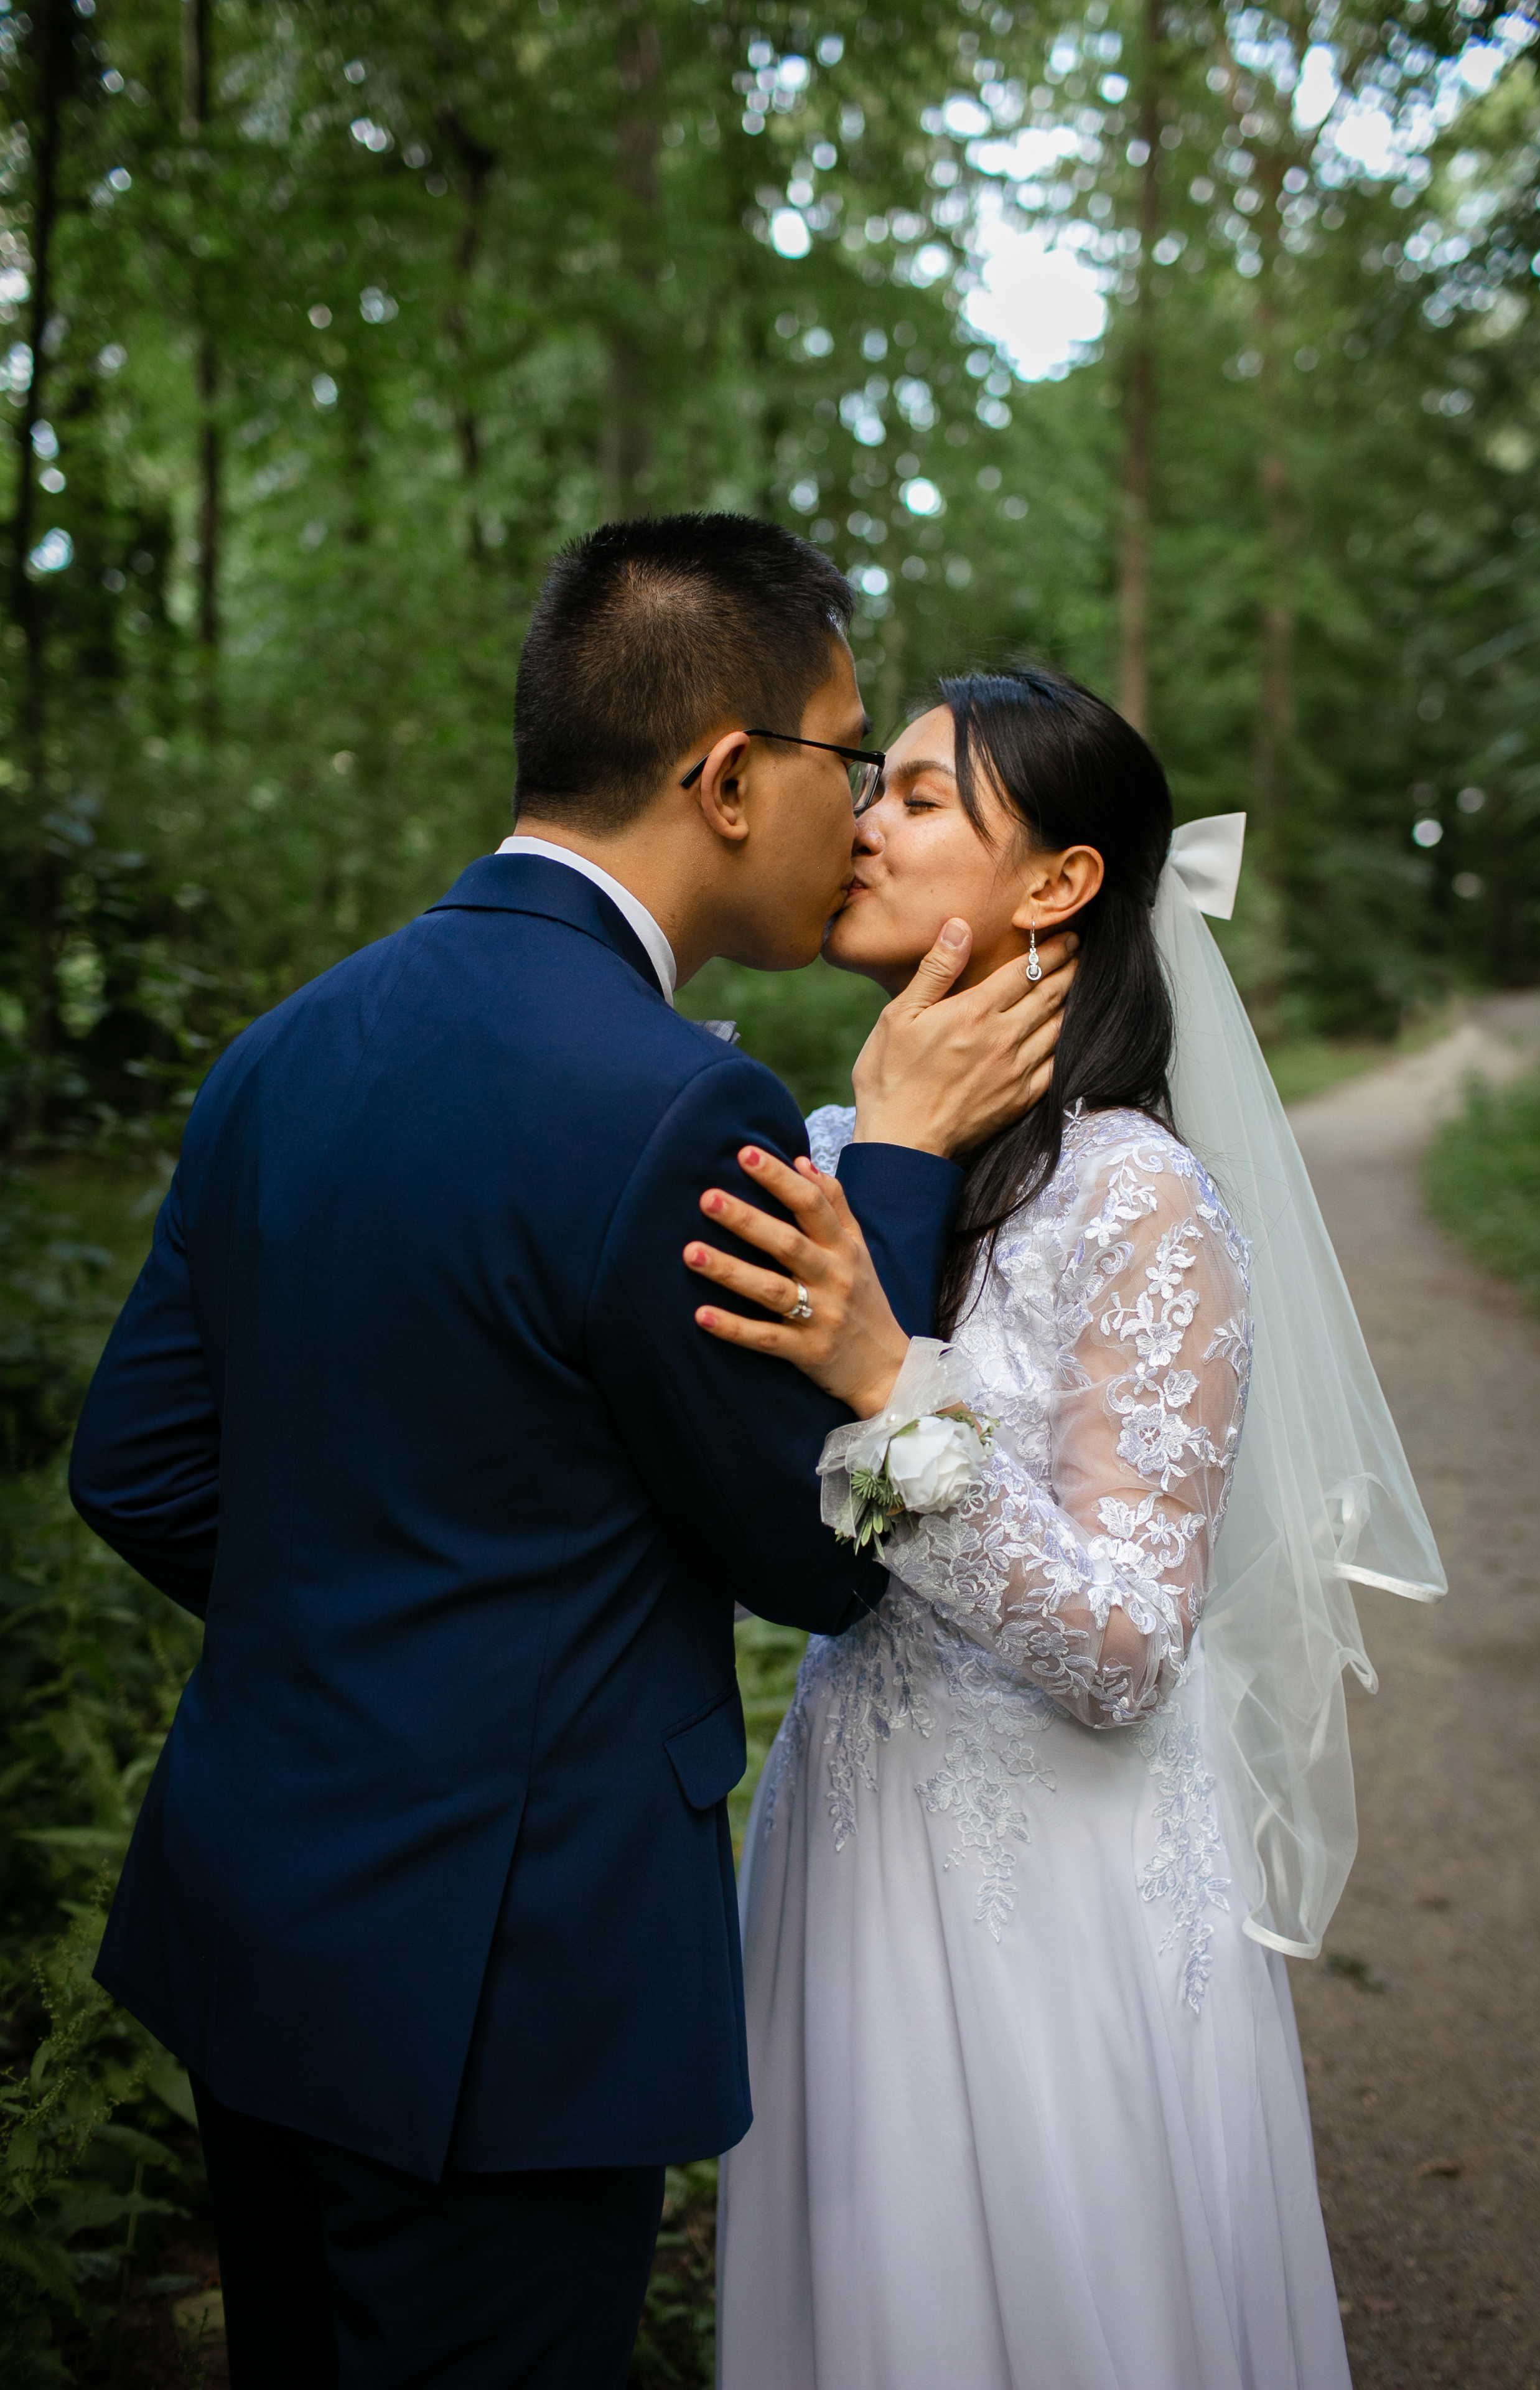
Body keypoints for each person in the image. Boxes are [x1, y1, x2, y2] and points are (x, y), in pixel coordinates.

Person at [67, 519, 1075, 2390]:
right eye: (847, 757)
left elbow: (134, 1467)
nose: (862, 812)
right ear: (728, 779)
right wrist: (900, 1167)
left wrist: (368, 1644)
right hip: (503, 1976)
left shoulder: (282, 1050)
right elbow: (823, 1552)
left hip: (252, 1923)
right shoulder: (679, 1105)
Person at [698, 667, 1445, 2390]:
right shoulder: (833, 1155)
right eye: (871, 787)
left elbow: (1126, 1649)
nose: (861, 824)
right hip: (846, 1844)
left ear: (1060, 882)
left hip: (1058, 1882)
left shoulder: (1140, 1197)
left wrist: (891, 1385)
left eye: (918, 797)